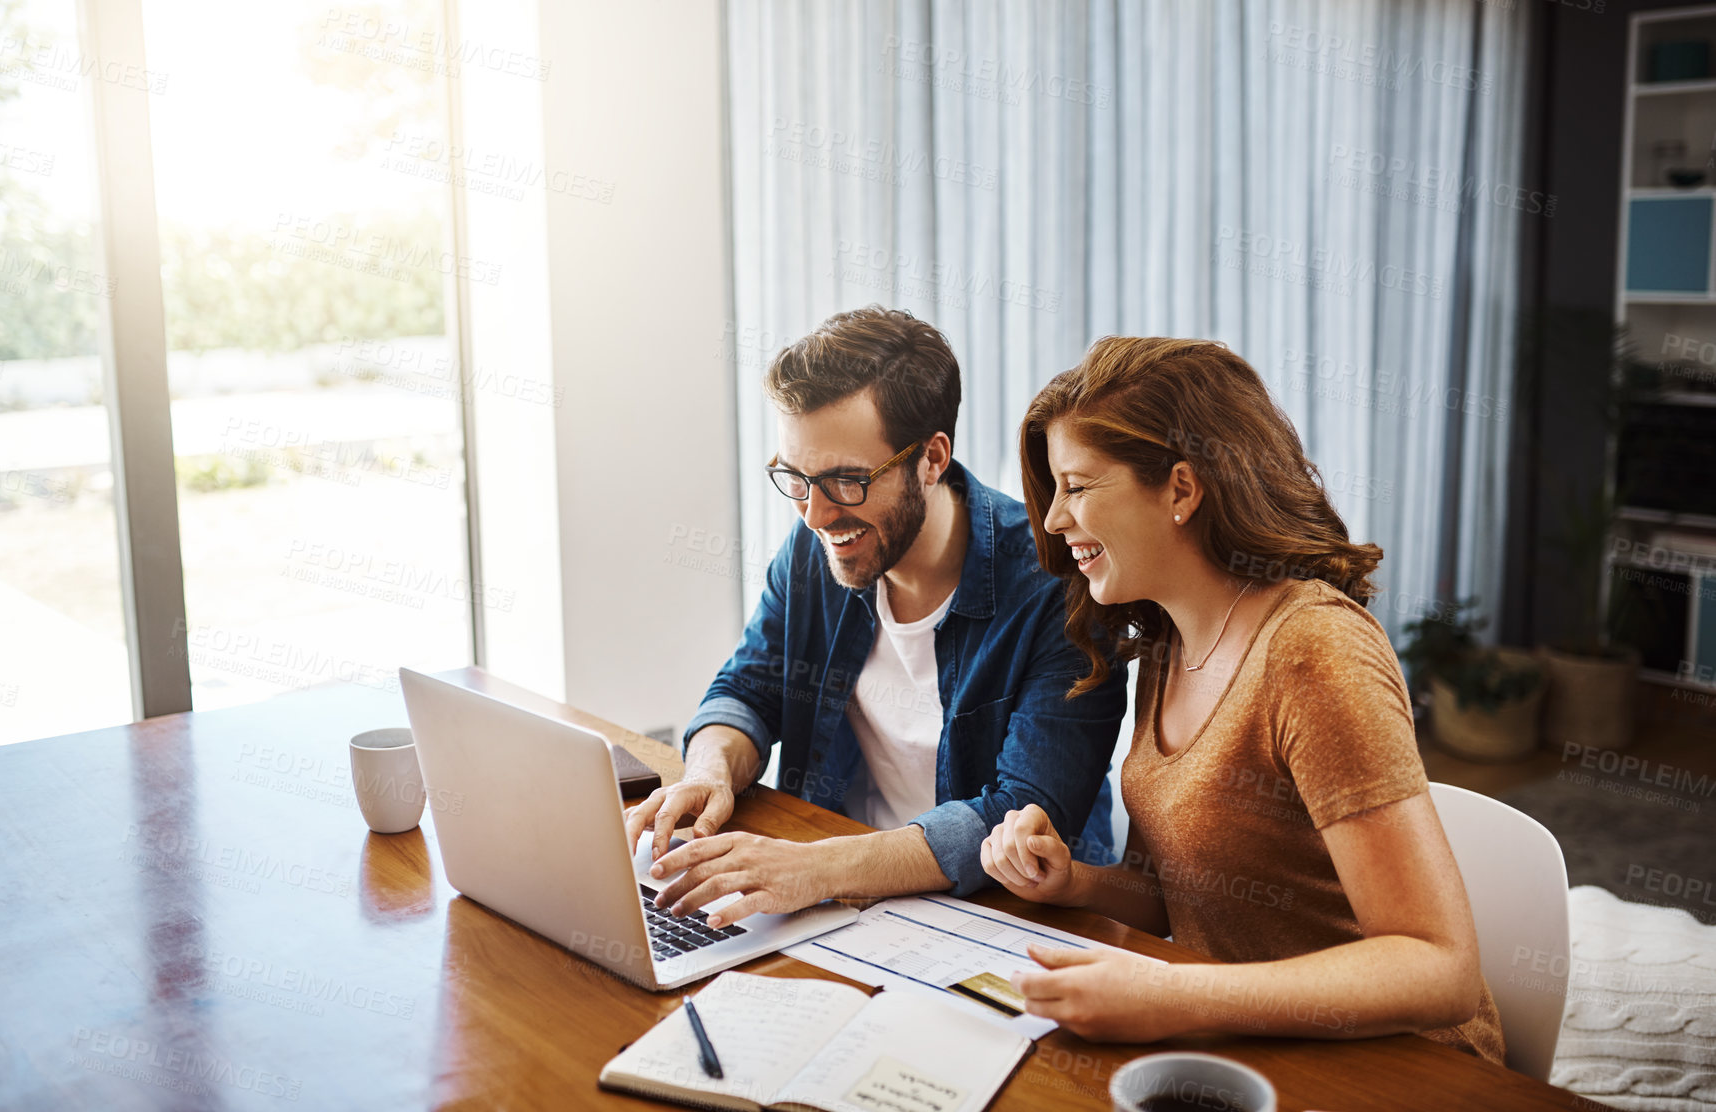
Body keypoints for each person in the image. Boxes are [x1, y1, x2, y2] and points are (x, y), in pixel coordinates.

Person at [980, 335, 1504, 1061]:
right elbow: (1178, 894)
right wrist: (1073, 882)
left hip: (1403, 1068)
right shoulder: (1167, 643)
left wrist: (1168, 997)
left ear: (1181, 490)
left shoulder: (1312, 652)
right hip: (1249, 1045)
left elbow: (1437, 969)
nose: (1052, 520)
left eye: (1076, 485)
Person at [624, 305, 1127, 928]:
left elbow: (1024, 812)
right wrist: (710, 770)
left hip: (1006, 920)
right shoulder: (821, 549)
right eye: (797, 479)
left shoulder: (1055, 583)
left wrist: (817, 868)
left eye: (846, 482)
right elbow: (747, 689)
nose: (814, 516)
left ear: (932, 459)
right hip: (834, 903)